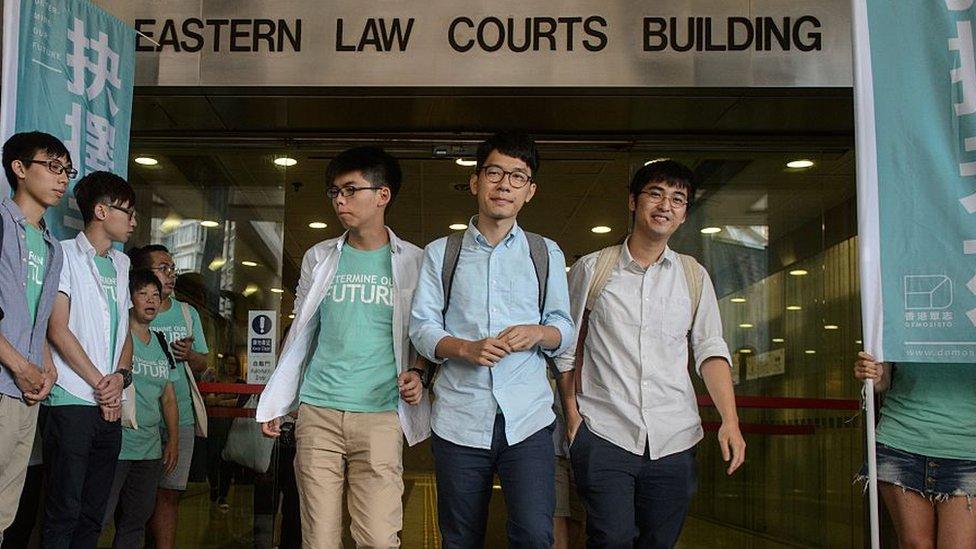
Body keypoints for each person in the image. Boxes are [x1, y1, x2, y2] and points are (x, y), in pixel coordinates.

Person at [555, 159, 745, 548]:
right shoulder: (594, 269)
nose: (666, 205)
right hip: (605, 432)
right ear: (633, 202)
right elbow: (565, 349)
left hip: (674, 438)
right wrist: (574, 418)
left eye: (678, 199)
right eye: (655, 194)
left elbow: (710, 351)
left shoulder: (694, 275)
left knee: (660, 541)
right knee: (611, 537)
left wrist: (730, 420)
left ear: (684, 213)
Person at [257, 146, 429, 548]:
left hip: (381, 412)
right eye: (334, 192)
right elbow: (301, 332)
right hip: (318, 410)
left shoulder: (415, 262)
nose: (339, 200)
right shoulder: (320, 257)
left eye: (350, 190)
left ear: (382, 194)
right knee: (318, 539)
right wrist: (278, 400)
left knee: (379, 538)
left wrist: (419, 372)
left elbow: (423, 332)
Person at [410, 131, 574, 548]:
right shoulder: (441, 252)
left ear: (530, 191)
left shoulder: (545, 252)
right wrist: (465, 348)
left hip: (529, 420)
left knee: (535, 536)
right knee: (460, 538)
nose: (504, 185)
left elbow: (563, 328)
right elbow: (422, 328)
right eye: (495, 173)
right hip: (460, 419)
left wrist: (539, 332)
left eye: (517, 177)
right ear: (475, 181)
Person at [42, 170, 136, 548]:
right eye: (127, 212)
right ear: (100, 211)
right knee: (63, 508)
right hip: (72, 399)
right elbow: (58, 329)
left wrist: (120, 377)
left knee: (94, 512)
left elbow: (124, 332)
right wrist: (102, 384)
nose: (133, 221)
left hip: (108, 402)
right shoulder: (63, 254)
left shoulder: (121, 263)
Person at [0, 131, 70, 544]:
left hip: (26, 390)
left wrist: (45, 364)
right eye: (53, 167)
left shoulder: (51, 246)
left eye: (67, 170)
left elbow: (36, 318)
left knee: (8, 502)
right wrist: (20, 364)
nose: (63, 179)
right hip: (6, 378)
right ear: (20, 168)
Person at [128, 244, 210, 549]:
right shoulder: (130, 311)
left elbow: (204, 363)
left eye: (172, 268)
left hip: (182, 418)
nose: (171, 274)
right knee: (134, 495)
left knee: (169, 494)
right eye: (164, 268)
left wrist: (190, 355)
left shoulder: (187, 313)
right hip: (139, 418)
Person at [854, 353, 976, 547]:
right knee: (915, 544)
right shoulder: (895, 321)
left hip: (967, 446)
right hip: (902, 438)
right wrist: (872, 374)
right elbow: (881, 380)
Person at [101, 269, 179, 548]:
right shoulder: (118, 336)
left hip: (149, 448)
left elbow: (168, 397)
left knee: (136, 520)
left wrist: (173, 440)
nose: (150, 300)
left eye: (155, 295)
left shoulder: (160, 341)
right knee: (100, 516)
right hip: (118, 443)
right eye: (143, 293)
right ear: (130, 298)